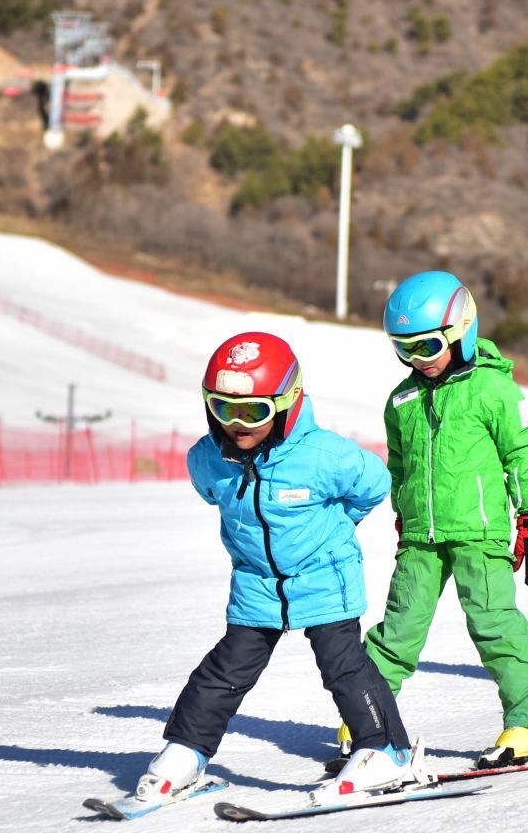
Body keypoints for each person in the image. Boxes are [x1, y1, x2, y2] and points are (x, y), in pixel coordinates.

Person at [124, 332, 422, 807]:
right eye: (225, 410)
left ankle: (387, 751)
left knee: (343, 665)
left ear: (286, 405)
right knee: (223, 671)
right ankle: (187, 751)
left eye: (254, 412)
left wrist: (334, 529)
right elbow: (215, 494)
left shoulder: (325, 455)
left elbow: (375, 483)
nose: (238, 424)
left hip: (324, 577)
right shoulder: (208, 459)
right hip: (257, 586)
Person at [361, 271, 528, 767]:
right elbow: (400, 465)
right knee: (397, 630)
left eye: (428, 346)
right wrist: (403, 512)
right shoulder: (401, 400)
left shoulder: (493, 389)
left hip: (480, 533)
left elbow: (524, 452)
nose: (418, 361)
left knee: (494, 625)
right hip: (421, 538)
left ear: (462, 330)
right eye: (404, 349)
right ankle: (369, 723)